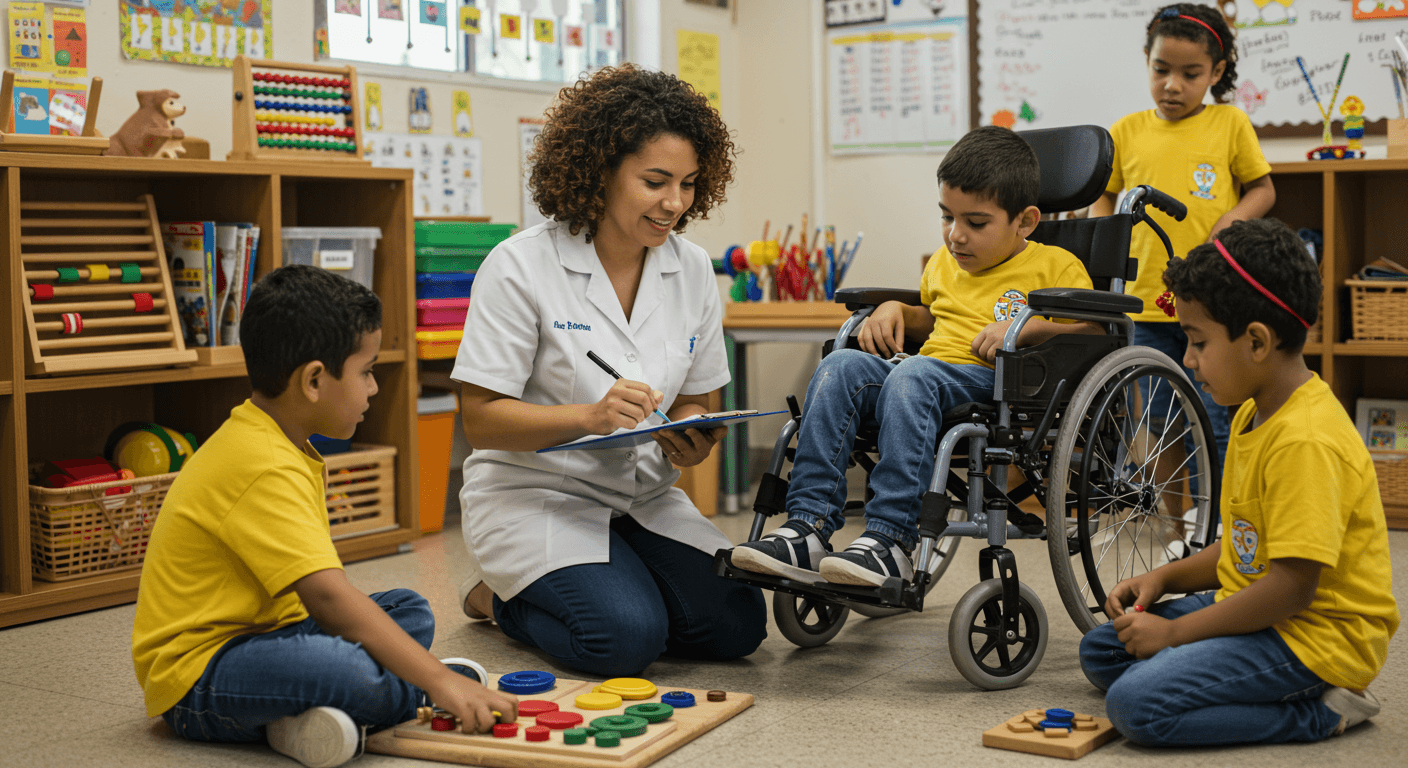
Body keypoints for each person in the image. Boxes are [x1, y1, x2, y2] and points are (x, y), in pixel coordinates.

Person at [132, 265, 518, 768]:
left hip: (270, 632)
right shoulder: (262, 463)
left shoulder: (278, 441)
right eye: (365, 371)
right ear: (314, 379)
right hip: (201, 675)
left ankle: (316, 710)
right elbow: (328, 596)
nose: (374, 388)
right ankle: (379, 696)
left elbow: (322, 603)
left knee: (408, 609)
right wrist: (440, 681)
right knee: (348, 671)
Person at [450, 64, 766, 677]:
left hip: (642, 495)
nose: (674, 203)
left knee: (737, 623)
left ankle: (620, 580)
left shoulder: (694, 269)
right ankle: (497, 597)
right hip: (534, 495)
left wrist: (694, 437)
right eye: (655, 181)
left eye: (689, 184)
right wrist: (590, 418)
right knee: (622, 640)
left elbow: (704, 399)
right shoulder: (519, 267)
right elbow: (481, 422)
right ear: (600, 168)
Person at [727, 126, 1103, 587]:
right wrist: (895, 310)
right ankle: (806, 527)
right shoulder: (946, 263)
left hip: (997, 380)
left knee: (916, 375)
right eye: (947, 217)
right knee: (839, 366)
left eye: (975, 223)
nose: (955, 236)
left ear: (1024, 222)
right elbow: (928, 316)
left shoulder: (1055, 265)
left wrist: (1025, 329)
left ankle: (889, 540)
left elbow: (1094, 329)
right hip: (924, 374)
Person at [1079, 218, 1399, 746]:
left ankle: (1321, 712)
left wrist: (1176, 633)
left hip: (1314, 639)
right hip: (1262, 605)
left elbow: (1292, 587)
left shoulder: (1306, 440)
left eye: (1198, 342)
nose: (1187, 359)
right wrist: (1166, 578)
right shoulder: (1256, 412)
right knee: (1105, 650)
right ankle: (1231, 676)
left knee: (1135, 705)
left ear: (1255, 341)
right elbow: (1247, 547)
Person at [1091, 3, 1275, 556]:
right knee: (1162, 422)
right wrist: (1105, 230)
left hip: (1209, 308)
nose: (1172, 85)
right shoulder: (1125, 130)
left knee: (1216, 417)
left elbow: (1262, 189)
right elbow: (1106, 194)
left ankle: (1216, 522)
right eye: (1160, 70)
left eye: (1190, 74)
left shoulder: (1229, 123)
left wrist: (1229, 223)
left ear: (1216, 72)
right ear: (1146, 63)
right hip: (1145, 308)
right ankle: (1179, 526)